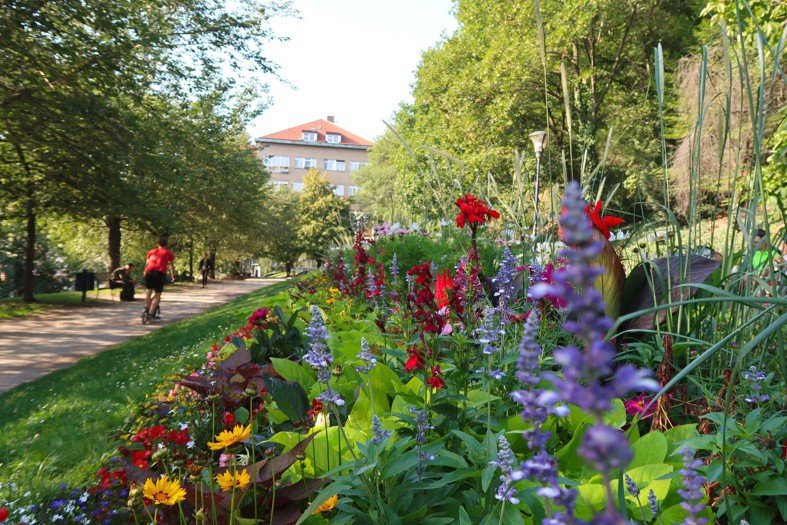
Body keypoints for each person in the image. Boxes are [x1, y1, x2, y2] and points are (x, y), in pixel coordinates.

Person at [144, 237, 176, 319]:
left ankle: (146, 309)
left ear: (157, 244)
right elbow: (171, 266)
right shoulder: (168, 253)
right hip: (159, 274)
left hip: (149, 272)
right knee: (158, 293)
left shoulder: (151, 251)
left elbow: (147, 264)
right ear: (166, 244)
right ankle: (151, 313)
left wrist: (145, 273)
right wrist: (173, 276)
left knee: (148, 291)